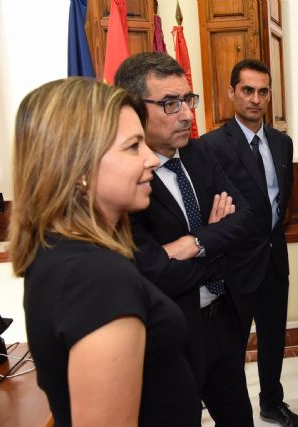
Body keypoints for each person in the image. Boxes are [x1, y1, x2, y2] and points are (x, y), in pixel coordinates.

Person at [9, 77, 202, 426]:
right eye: (133, 146)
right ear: (79, 166)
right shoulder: (97, 279)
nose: (151, 160)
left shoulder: (61, 251)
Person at [114, 52, 254, 426]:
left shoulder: (199, 152)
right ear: (133, 109)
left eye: (187, 100)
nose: (188, 115)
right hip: (171, 332)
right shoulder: (124, 182)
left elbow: (246, 221)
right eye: (170, 104)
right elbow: (153, 272)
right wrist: (214, 240)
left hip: (224, 317)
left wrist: (193, 242)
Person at [200, 59, 298, 427]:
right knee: (230, 347)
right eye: (247, 90)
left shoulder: (282, 141)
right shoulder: (210, 145)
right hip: (234, 265)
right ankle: (231, 412)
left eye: (263, 91)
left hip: (275, 260)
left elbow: (282, 198)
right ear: (231, 92)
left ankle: (272, 402)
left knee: (273, 338)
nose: (256, 99)